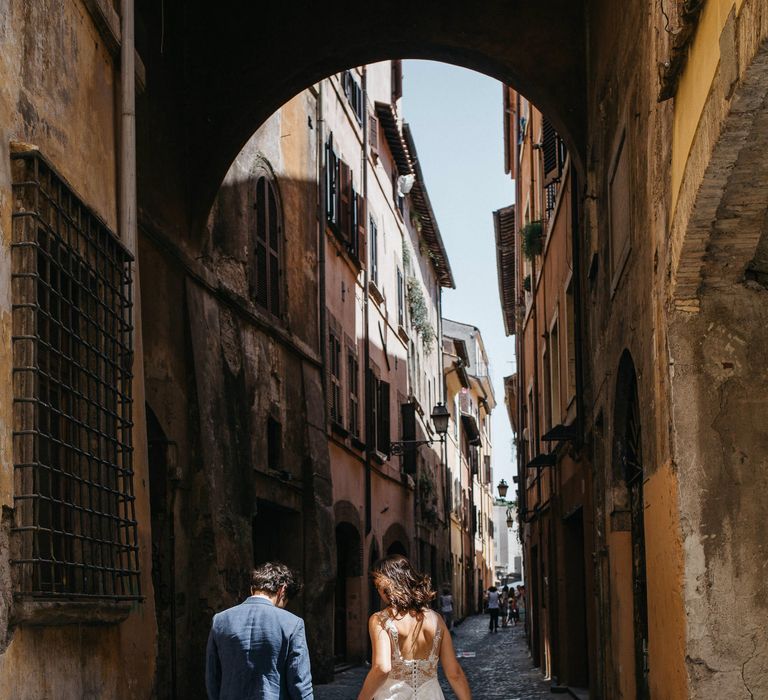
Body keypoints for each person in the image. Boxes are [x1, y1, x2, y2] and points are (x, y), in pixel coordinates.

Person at [357, 554, 471, 700]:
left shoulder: (380, 620)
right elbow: (454, 673)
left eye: (378, 586)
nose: (378, 591)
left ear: (387, 586)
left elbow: (382, 668)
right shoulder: (437, 620)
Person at [206, 562, 313, 700]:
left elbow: (212, 677)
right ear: (282, 590)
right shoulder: (292, 623)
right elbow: (300, 682)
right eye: (285, 602)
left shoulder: (220, 620)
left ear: (252, 589)